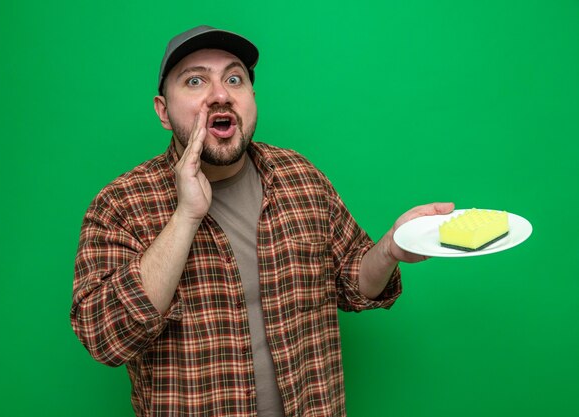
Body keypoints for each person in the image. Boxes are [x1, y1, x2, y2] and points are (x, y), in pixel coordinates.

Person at [71, 25, 454, 417]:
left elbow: (353, 281)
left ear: (251, 98)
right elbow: (106, 338)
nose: (220, 95)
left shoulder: (300, 177)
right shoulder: (121, 204)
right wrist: (185, 216)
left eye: (234, 79)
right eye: (195, 80)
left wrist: (389, 247)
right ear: (163, 111)